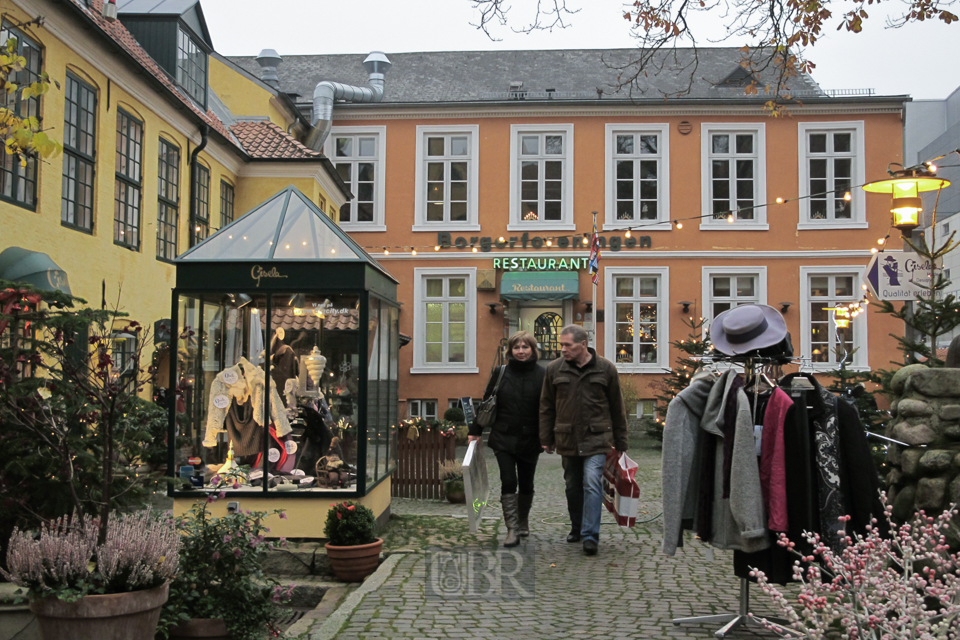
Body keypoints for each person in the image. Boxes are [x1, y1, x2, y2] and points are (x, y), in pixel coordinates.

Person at [540, 325, 628, 556]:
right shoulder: (554, 369)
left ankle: (590, 536)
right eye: (561, 345)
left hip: (597, 437)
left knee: (591, 482)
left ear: (583, 344)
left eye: (567, 345)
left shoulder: (605, 369)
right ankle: (577, 527)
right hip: (567, 437)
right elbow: (546, 406)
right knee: (572, 486)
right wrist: (546, 438)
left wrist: (621, 442)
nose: (563, 349)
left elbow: (617, 407)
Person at [468, 331, 546, 547]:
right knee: (509, 480)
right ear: (510, 351)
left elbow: (548, 408)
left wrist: (549, 436)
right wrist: (474, 431)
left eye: (525, 347)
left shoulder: (543, 374)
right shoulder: (500, 372)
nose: (521, 352)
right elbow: (486, 401)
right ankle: (512, 529)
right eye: (516, 347)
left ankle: (523, 521)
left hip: (531, 438)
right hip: (503, 437)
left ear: (533, 350)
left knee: (527, 482)